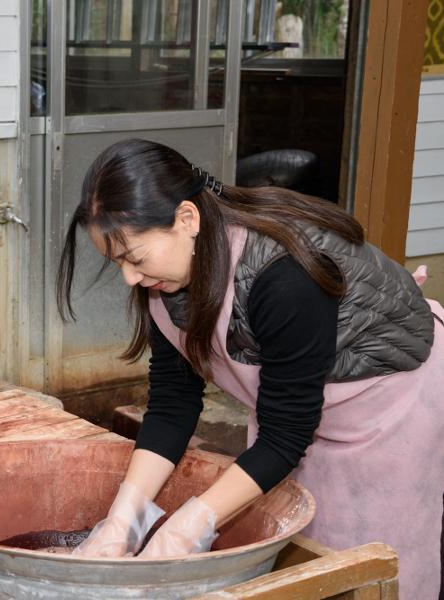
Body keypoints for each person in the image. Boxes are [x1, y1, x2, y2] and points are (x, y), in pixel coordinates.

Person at [58, 139, 443, 599]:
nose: (129, 278)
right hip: (297, 411)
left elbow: (285, 434)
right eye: (116, 262)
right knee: (295, 543)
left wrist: (188, 525)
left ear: (187, 219)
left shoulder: (284, 277)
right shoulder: (167, 277)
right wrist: (122, 520)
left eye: (135, 258)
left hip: (387, 406)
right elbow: (171, 406)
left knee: (359, 565)